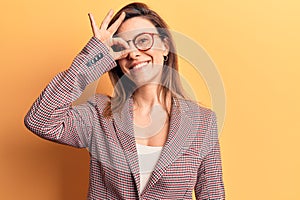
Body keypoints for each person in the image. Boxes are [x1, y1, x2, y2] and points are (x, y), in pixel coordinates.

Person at [24, 2, 225, 199]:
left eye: (143, 40)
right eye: (122, 46)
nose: (133, 53)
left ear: (165, 46)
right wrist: (94, 55)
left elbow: (212, 194)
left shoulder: (203, 123)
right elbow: (40, 120)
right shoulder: (99, 114)